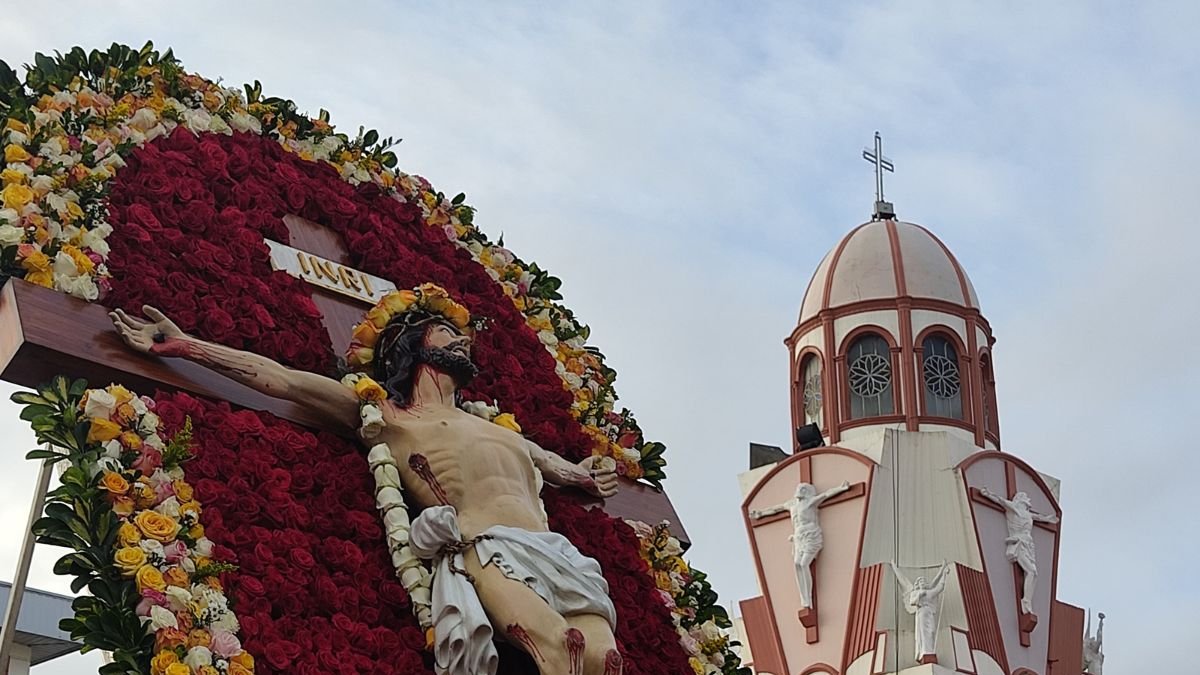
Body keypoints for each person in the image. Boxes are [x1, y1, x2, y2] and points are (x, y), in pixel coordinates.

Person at [110, 288, 623, 675]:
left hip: (557, 551)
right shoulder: (388, 417)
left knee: (607, 658)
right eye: (446, 333)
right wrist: (190, 346)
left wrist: (590, 475)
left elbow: (565, 471)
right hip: (488, 551)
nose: (463, 340)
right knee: (561, 647)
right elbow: (283, 380)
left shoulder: (500, 430)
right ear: (410, 345)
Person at [749, 480, 850, 609]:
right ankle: (804, 597)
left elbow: (826, 495)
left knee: (804, 563)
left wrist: (841, 488)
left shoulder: (811, 502)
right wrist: (761, 513)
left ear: (807, 491)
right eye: (799, 488)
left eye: (803, 489)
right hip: (798, 538)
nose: (799, 491)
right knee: (797, 564)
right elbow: (776, 509)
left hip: (810, 534)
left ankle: (808, 597)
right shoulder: (791, 504)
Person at [978, 488, 1058, 615]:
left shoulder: (1028, 514)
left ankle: (1027, 600)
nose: (1028, 500)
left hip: (1029, 545)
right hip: (1019, 542)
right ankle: (1026, 601)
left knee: (1033, 573)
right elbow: (1000, 501)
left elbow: (1038, 517)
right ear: (1021, 499)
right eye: (1026, 497)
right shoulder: (1014, 508)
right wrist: (987, 494)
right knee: (1031, 571)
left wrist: (1048, 519)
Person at [890, 560, 949, 661]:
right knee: (924, 633)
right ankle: (925, 652)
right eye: (921, 581)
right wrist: (894, 567)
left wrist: (944, 573)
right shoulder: (915, 592)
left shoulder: (929, 592)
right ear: (918, 584)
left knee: (931, 632)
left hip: (929, 614)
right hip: (921, 613)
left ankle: (929, 650)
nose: (923, 582)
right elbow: (912, 601)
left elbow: (939, 587)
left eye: (924, 581)